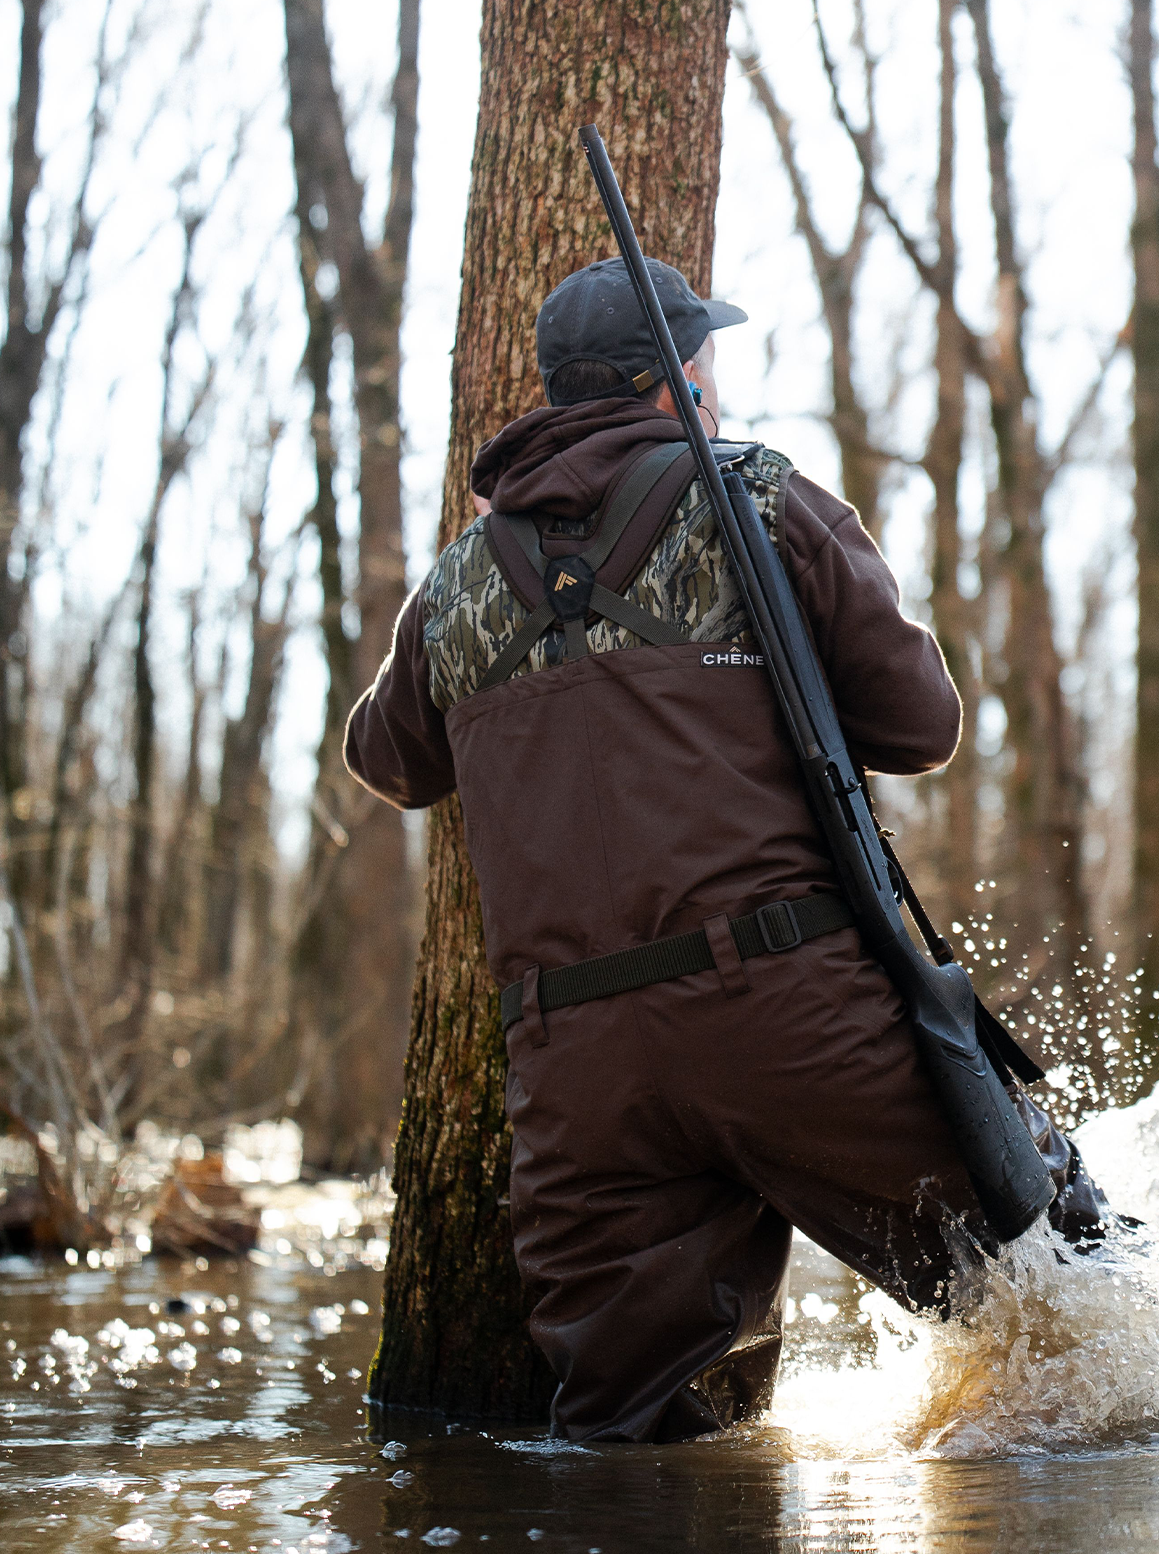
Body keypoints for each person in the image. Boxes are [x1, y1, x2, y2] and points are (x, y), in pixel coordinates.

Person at [345, 256, 1103, 1443]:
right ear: (679, 378)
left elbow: (388, 759)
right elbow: (921, 724)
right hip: (786, 1011)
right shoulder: (759, 499)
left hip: (577, 1072)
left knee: (637, 1443)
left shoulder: (453, 585)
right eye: (708, 365)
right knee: (1064, 1282)